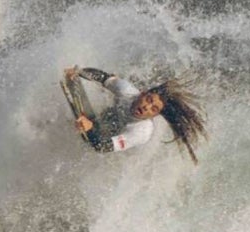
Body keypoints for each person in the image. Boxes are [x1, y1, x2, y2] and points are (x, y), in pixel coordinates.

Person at [63, 66, 207, 163]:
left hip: (111, 150)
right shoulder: (127, 91)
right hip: (106, 120)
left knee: (104, 128)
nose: (146, 107)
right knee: (107, 115)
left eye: (154, 108)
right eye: (149, 100)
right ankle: (89, 123)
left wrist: (89, 129)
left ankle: (91, 124)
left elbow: (102, 147)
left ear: (155, 115)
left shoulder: (141, 131)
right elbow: (103, 77)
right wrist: (79, 72)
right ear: (143, 94)